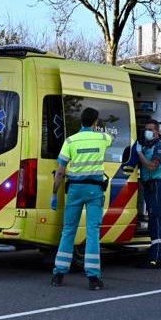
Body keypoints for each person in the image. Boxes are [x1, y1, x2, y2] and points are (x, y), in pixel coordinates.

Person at [50, 107, 114, 290]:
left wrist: (54, 194)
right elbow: (111, 138)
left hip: (75, 190)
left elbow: (61, 171)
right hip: (94, 191)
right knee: (92, 231)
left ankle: (58, 274)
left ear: (80, 121)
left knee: (68, 230)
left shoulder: (70, 141)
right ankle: (94, 278)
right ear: (96, 122)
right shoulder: (102, 138)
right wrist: (99, 127)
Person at [135, 119, 161, 269]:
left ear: (157, 132)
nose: (147, 132)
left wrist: (139, 153)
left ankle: (154, 258)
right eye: (146, 129)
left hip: (157, 186)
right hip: (150, 187)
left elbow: (152, 166)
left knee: (155, 222)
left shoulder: (160, 147)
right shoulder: (147, 146)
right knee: (157, 221)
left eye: (150, 129)